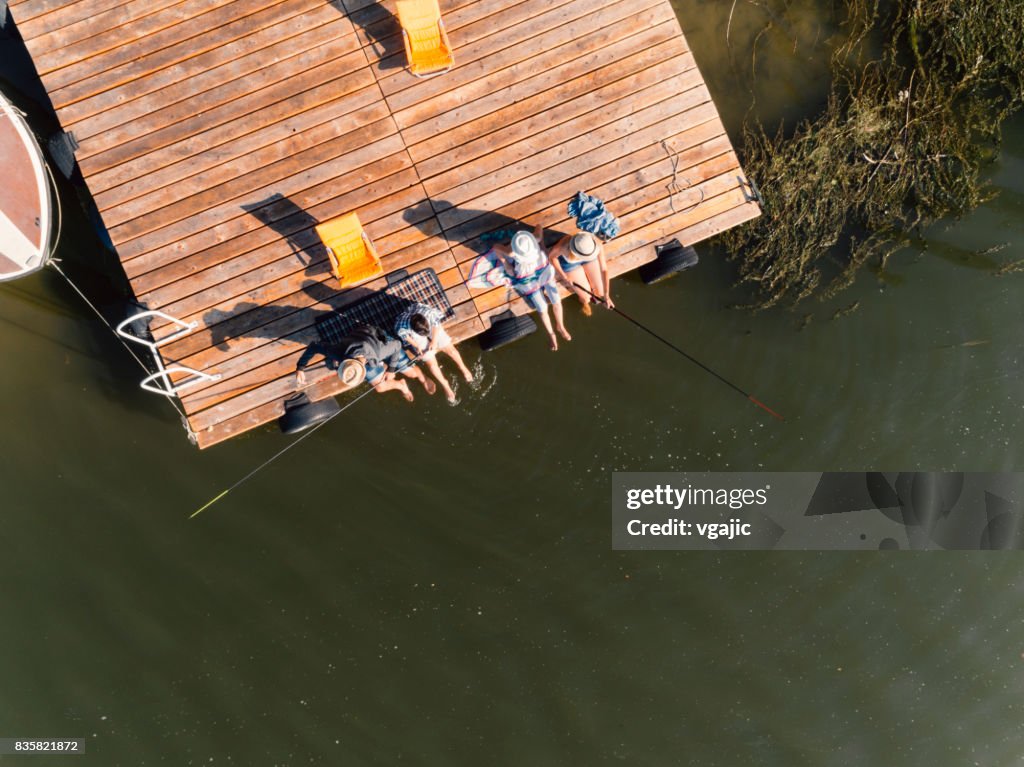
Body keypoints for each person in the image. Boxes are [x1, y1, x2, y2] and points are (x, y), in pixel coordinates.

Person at [294, 324, 435, 401]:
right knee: (380, 388)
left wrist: (391, 369)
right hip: (365, 348)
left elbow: (397, 345)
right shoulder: (337, 352)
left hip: (380, 341)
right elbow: (314, 346)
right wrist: (300, 367)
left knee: (410, 373)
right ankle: (401, 386)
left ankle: (422, 378)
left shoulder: (381, 351)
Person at [491, 225, 571, 351]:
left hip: (542, 267)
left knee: (556, 300)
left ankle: (560, 326)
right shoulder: (512, 251)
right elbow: (496, 248)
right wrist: (506, 264)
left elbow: (539, 227)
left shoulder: (536, 238)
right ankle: (551, 334)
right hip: (527, 274)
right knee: (542, 307)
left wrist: (543, 247)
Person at [394, 302, 473, 403]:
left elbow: (436, 325)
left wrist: (434, 341)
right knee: (429, 359)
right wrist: (417, 346)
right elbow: (406, 337)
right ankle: (445, 384)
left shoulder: (429, 313)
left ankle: (463, 367)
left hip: (427, 325)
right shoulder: (401, 327)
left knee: (448, 347)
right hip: (414, 333)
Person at [546, 230, 614, 315]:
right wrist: (564, 276)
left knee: (600, 293)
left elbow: (604, 269)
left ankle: (592, 291)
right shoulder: (565, 245)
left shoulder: (596, 244)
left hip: (589, 259)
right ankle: (584, 300)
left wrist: (606, 296)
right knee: (586, 298)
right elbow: (552, 257)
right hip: (570, 263)